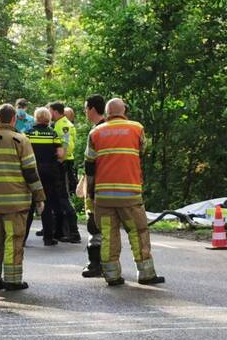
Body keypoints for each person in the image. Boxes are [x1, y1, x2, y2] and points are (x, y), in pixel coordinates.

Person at [85, 98, 165, 286]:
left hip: (103, 198)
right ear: (124, 111)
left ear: (106, 113)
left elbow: (89, 165)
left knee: (108, 235)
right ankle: (145, 274)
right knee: (138, 232)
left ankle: (112, 275)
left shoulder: (95, 132)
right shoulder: (136, 128)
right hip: (129, 195)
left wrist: (90, 194)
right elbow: (143, 149)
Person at [0, 104, 45, 291]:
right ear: (14, 119)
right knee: (14, 239)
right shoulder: (20, 140)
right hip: (16, 204)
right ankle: (13, 279)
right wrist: (39, 196)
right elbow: (30, 172)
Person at [25, 107, 65, 246]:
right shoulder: (53, 134)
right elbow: (60, 154)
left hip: (32, 172)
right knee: (46, 204)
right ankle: (48, 238)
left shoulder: (28, 134)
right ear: (48, 118)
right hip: (49, 173)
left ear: (35, 118)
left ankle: (22, 239)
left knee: (29, 205)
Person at [81, 94, 106, 278]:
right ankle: (106, 264)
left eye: (85, 108)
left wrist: (89, 189)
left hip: (98, 186)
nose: (84, 112)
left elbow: (90, 164)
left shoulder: (97, 132)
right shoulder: (108, 130)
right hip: (114, 186)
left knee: (94, 225)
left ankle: (95, 264)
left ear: (91, 109)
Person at [50, 101, 81, 243]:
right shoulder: (60, 123)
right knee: (59, 196)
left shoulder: (63, 125)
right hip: (64, 162)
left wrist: (60, 160)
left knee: (63, 197)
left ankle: (73, 232)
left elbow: (67, 144)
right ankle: (61, 230)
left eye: (50, 111)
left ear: (55, 112)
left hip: (64, 163)